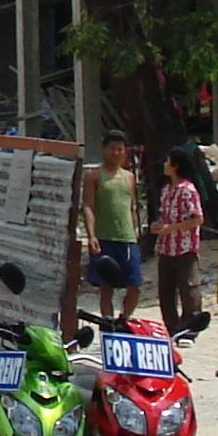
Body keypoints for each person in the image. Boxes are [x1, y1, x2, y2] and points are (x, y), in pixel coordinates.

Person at [150, 147, 209, 337]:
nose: (165, 165)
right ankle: (172, 328)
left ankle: (189, 331)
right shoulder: (166, 190)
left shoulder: (188, 190)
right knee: (165, 290)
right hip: (166, 247)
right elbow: (165, 216)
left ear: (175, 166)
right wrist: (158, 226)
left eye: (168, 162)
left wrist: (173, 229)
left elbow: (197, 218)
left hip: (184, 247)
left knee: (189, 288)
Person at [85, 131, 143, 321]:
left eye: (120, 149)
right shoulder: (94, 175)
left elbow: (132, 207)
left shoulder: (129, 177)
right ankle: (108, 323)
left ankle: (124, 319)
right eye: (112, 149)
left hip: (127, 239)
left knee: (135, 287)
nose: (116, 153)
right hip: (104, 238)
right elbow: (88, 206)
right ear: (104, 150)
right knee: (106, 288)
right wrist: (91, 235)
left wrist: (136, 233)